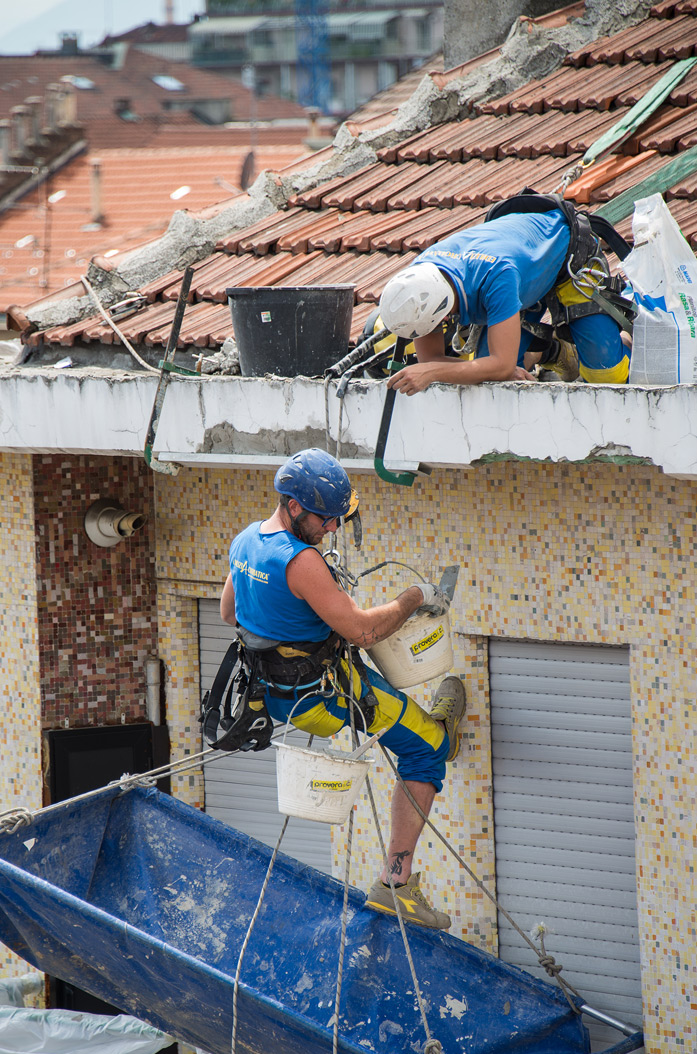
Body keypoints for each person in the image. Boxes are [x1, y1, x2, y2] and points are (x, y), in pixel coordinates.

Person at [219, 447, 466, 931]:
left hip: (276, 695)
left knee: (394, 711)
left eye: (338, 519)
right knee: (429, 749)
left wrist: (288, 621)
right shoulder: (300, 561)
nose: (332, 528)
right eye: (325, 519)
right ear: (294, 506)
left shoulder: (246, 541)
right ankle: (396, 885)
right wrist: (415, 597)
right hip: (326, 696)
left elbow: (230, 614)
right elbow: (364, 632)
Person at [379, 206, 630, 393]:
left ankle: (626, 341)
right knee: (493, 382)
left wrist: (435, 372)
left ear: (443, 315)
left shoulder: (497, 276)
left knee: (607, 375)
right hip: (518, 270)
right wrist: (495, 369)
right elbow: (430, 360)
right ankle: (552, 352)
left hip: (567, 256)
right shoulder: (419, 278)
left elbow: (497, 365)